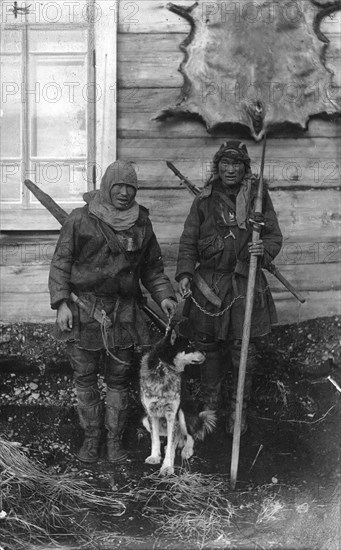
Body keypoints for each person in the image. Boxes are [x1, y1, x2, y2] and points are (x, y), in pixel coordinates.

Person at [49, 160, 177, 463]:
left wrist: (165, 297)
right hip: (84, 311)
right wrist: (61, 304)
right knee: (85, 379)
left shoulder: (141, 223)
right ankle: (92, 440)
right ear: (107, 186)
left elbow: (153, 270)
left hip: (123, 313)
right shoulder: (80, 220)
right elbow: (61, 263)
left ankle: (115, 442)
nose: (123, 193)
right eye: (118, 186)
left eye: (130, 187)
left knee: (119, 380)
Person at [175, 140, 283, 435]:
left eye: (236, 164)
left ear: (245, 168)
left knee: (242, 350)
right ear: (217, 166)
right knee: (208, 351)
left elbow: (274, 236)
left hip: (245, 285)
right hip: (209, 286)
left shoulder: (258, 197)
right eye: (225, 163)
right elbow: (188, 241)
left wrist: (263, 250)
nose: (230, 169)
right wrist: (185, 273)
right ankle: (209, 415)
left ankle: (238, 416)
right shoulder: (204, 200)